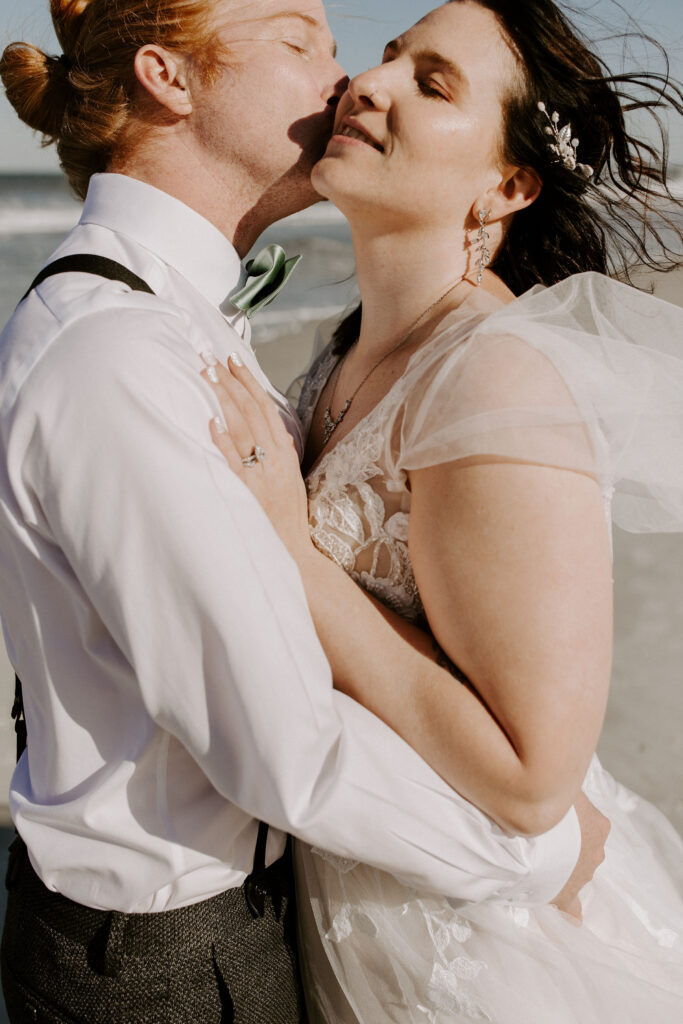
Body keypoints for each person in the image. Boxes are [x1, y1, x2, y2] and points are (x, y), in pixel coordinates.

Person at [0, 1, 605, 1021]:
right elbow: (285, 749)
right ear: (169, 78)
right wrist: (544, 851)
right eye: (300, 40)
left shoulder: (195, 319)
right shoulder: (123, 357)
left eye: (419, 73)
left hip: (299, 913)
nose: (347, 80)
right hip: (175, 956)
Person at [201, 0, 683, 1020]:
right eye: (385, 59)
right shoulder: (345, 351)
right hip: (352, 895)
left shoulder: (494, 376)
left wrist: (291, 550)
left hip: (478, 956)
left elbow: (528, 778)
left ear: (504, 186)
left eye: (433, 84)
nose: (369, 86)